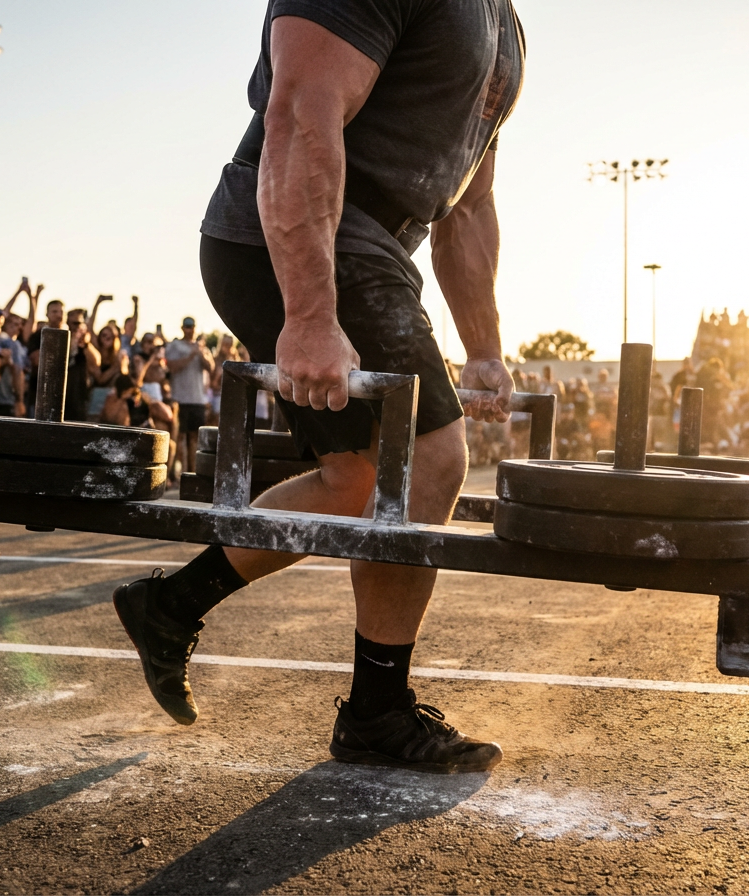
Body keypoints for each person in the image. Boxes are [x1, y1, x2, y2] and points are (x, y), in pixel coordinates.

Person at [111, 1, 523, 774]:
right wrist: (308, 314)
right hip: (304, 230)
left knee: (357, 483)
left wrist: (485, 348)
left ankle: (168, 607)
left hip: (378, 243)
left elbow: (467, 203)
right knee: (430, 458)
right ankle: (377, 713)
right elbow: (302, 114)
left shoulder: (505, 27)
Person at [164, 317, 215, 474]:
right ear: (182, 328)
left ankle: (193, 473)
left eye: (192, 326)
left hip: (197, 399)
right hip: (180, 399)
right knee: (179, 437)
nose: (189, 329)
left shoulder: (201, 348)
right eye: (187, 326)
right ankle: (180, 473)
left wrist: (200, 353)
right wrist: (190, 356)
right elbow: (172, 367)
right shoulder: (175, 346)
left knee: (194, 438)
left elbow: (211, 368)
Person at [87, 323, 128, 420]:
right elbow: (100, 379)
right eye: (104, 335)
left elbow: (124, 377)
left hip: (113, 396)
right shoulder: (95, 355)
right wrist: (114, 368)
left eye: (110, 336)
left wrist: (122, 364)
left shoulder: (118, 356)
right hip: (96, 394)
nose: (107, 338)